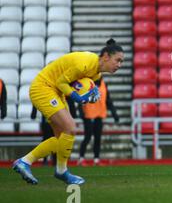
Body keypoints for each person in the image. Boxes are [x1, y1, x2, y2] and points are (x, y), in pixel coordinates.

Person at [12, 39, 124, 185]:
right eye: (118, 60)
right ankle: (28, 162)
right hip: (44, 88)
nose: (119, 65)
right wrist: (77, 97)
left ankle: (59, 170)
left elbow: (75, 84)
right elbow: (61, 82)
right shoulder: (85, 63)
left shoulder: (96, 74)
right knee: (70, 128)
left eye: (121, 62)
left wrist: (88, 95)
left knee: (62, 138)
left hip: (56, 92)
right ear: (106, 56)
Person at [77, 77, 119, 166]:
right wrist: (81, 113)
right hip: (88, 115)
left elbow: (108, 100)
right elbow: (80, 99)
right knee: (87, 137)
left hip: (99, 114)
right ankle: (81, 158)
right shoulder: (87, 83)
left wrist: (114, 113)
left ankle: (96, 159)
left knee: (98, 138)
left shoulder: (104, 84)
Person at [31, 98, 77, 166]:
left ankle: (53, 161)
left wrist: (33, 114)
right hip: (52, 120)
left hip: (53, 120)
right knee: (50, 139)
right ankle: (48, 160)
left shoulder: (56, 92)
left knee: (57, 139)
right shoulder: (52, 92)